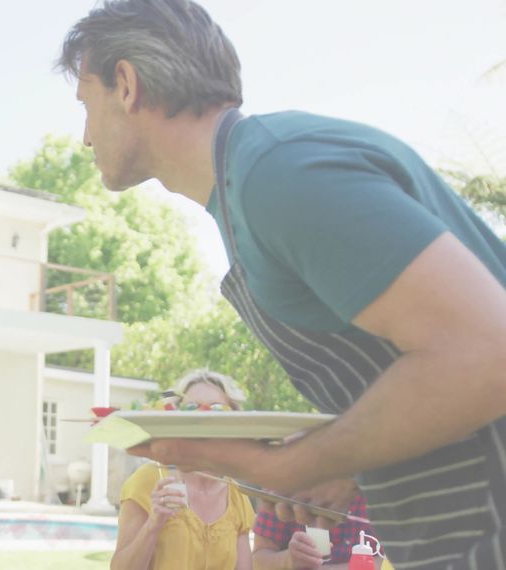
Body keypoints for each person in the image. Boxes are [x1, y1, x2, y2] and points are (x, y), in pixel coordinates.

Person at [58, 1, 506, 567]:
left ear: (125, 84)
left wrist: (298, 464)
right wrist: (347, 463)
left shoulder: (277, 172)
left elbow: (487, 351)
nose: (84, 136)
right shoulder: (245, 189)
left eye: (85, 104)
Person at [112, 370, 255, 570]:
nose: (203, 416)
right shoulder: (147, 482)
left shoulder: (237, 496)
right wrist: (154, 523)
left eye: (216, 408)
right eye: (192, 408)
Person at [253, 493, 389, 569]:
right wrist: (289, 559)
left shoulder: (380, 486)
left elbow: (393, 559)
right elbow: (257, 560)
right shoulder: (285, 487)